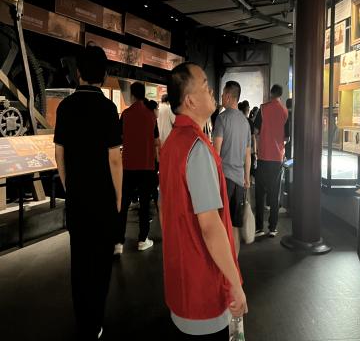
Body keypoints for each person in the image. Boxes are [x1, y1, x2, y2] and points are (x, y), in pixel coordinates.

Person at [159, 62, 247, 340]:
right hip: (204, 289)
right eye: (206, 84)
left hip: (181, 282)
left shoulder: (171, 144)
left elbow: (164, 209)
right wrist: (235, 283)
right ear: (190, 100)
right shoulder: (196, 148)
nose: (212, 91)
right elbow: (209, 226)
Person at [54, 45, 122, 340]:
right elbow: (114, 159)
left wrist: (69, 186)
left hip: (78, 198)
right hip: (104, 198)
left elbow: (59, 154)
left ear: (78, 72)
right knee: (101, 262)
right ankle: (95, 322)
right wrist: (118, 197)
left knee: (79, 261)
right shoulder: (108, 109)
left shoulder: (65, 107)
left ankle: (83, 321)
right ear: (104, 75)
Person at [115, 82, 160, 254]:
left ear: (132, 95)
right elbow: (156, 141)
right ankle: (142, 239)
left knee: (123, 203)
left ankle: (118, 242)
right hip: (147, 166)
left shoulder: (125, 114)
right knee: (144, 205)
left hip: (128, 166)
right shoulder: (150, 116)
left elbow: (119, 138)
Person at [213, 82, 251, 256]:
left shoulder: (222, 119)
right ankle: (234, 263)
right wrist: (247, 178)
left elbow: (216, 152)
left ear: (228, 96)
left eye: (222, 94)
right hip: (239, 180)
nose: (221, 97)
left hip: (224, 179)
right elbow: (248, 155)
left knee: (221, 224)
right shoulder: (245, 122)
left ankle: (222, 265)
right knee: (235, 226)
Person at [254, 84, 288, 237]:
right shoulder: (285, 111)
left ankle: (259, 228)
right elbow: (286, 137)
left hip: (263, 156)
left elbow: (255, 131)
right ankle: (273, 228)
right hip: (277, 158)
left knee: (259, 194)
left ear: (271, 93)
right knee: (275, 194)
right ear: (280, 94)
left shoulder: (263, 109)